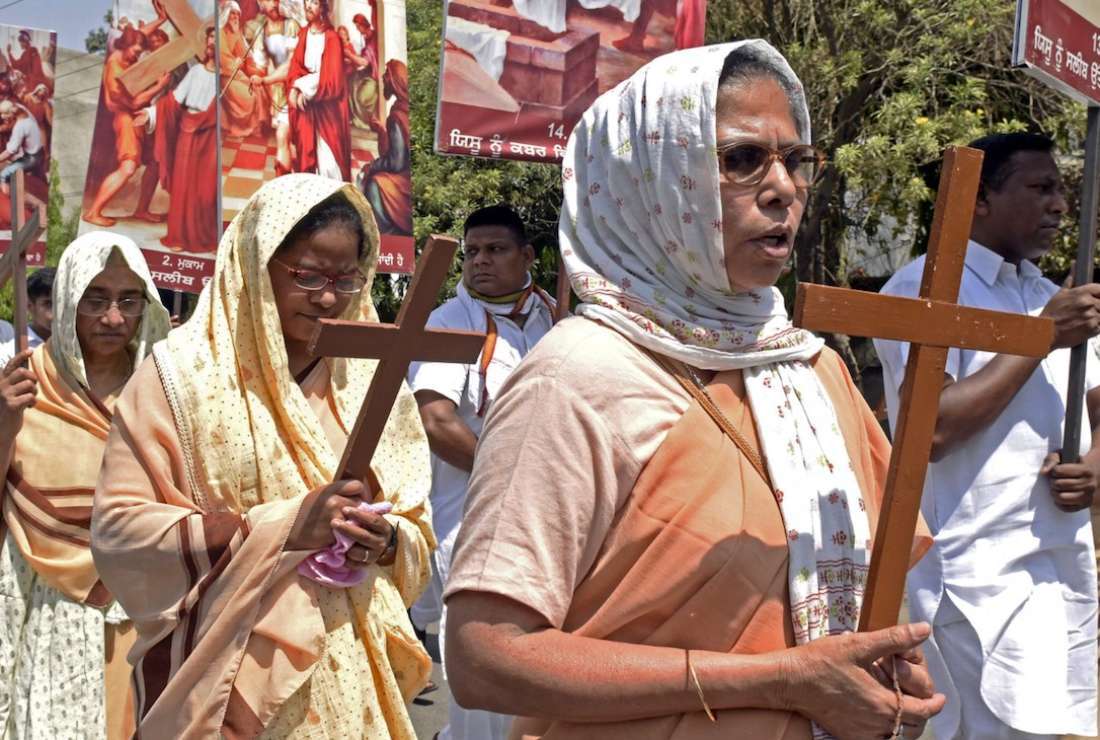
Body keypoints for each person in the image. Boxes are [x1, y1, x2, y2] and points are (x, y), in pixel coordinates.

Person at [444, 40, 944, 739]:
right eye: (742, 159)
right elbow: (485, 659)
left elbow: (856, 602)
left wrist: (879, 683)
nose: (783, 188)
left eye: (796, 160)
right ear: (652, 179)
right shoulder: (578, 376)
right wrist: (779, 681)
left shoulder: (812, 371)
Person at [92, 174, 435, 738]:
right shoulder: (182, 378)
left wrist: (387, 540)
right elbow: (121, 532)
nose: (329, 298)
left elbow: (416, 529)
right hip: (236, 673)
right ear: (255, 265)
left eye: (346, 278)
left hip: (356, 670)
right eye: (308, 276)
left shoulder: (370, 377)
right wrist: (284, 527)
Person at [874, 132, 1100, 740]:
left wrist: (1095, 465)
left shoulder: (1046, 295)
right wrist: (1041, 337)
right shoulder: (928, 289)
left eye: (1061, 189)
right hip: (976, 578)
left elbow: (1097, 401)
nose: (1060, 205)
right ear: (978, 199)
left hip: (1057, 564)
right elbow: (931, 429)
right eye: (1040, 187)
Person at [0, 232, 171, 740]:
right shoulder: (21, 383)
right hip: (37, 596)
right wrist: (5, 423)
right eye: (95, 300)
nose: (113, 318)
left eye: (128, 301)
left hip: (136, 601)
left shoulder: (162, 388)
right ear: (68, 297)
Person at [408, 204, 556, 740]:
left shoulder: (558, 318)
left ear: (527, 256)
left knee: (541, 644)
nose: (480, 261)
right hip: (469, 513)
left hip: (551, 513)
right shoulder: (449, 320)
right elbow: (436, 421)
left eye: (495, 249)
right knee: (478, 644)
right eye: (471, 252)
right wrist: (510, 478)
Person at [134, 27, 219, 253]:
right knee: (183, 185)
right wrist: (150, 114)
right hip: (187, 132)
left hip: (211, 137)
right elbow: (172, 102)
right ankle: (180, 236)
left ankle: (206, 237)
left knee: (206, 188)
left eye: (217, 38)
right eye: (211, 37)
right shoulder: (196, 72)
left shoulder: (228, 79)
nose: (213, 42)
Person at [83, 28, 170, 228]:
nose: (137, 55)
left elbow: (140, 33)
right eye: (135, 51)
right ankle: (93, 212)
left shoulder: (124, 57)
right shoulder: (114, 68)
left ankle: (141, 210)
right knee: (128, 167)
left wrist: (160, 19)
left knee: (155, 162)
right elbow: (132, 103)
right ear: (125, 45)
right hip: (125, 119)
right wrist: (159, 86)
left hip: (138, 118)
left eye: (139, 52)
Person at [288, 0, 351, 181]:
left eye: (314, 2)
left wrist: (300, 87)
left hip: (327, 109)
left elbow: (331, 78)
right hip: (306, 108)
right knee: (305, 155)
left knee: (328, 164)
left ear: (323, 7)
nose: (308, 6)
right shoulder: (303, 34)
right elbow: (295, 67)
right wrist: (294, 88)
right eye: (307, 1)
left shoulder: (332, 38)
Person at [248, 0, 301, 175]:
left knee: (286, 137)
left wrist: (266, 80)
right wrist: (251, 72)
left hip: (296, 87)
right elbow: (260, 66)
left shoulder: (291, 25)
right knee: (286, 139)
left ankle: (289, 178)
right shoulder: (261, 32)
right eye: (269, 0)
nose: (274, 4)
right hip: (278, 90)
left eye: (277, 0)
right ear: (261, 3)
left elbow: (291, 65)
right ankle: (289, 179)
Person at [358, 60, 411, 235]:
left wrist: (373, 165)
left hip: (404, 179)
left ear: (394, 80)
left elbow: (396, 162)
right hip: (406, 175)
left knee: (374, 183)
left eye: (386, 75)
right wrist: (382, 131)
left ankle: (384, 233)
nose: (383, 79)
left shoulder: (397, 116)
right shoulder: (405, 110)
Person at [219, 0, 267, 139]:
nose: (235, 17)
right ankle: (244, 128)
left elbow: (243, 55)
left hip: (238, 74)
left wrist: (255, 68)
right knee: (249, 96)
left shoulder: (236, 31)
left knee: (258, 88)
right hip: (225, 76)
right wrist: (235, 63)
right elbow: (224, 60)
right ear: (226, 14)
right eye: (232, 13)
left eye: (237, 14)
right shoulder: (220, 33)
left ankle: (257, 127)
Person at [0, 266, 56, 366]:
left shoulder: (75, 345)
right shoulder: (10, 352)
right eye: (48, 304)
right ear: (30, 306)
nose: (57, 312)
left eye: (61, 303)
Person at [0, 100, 42, 196]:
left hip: (32, 159)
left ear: (11, 114)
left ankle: (15, 199)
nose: (3, 118)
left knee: (3, 175)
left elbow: (10, 152)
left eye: (6, 117)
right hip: (37, 152)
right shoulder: (20, 109)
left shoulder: (20, 127)